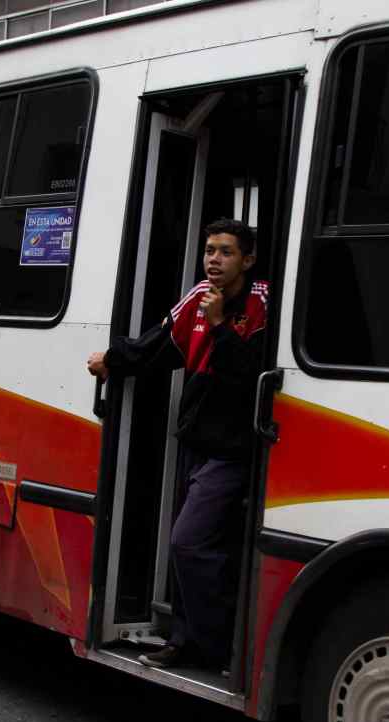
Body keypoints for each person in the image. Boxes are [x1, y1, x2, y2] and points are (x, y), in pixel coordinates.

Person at [87, 218, 268, 670]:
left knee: (189, 542)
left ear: (248, 260)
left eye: (226, 252)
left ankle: (219, 649)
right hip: (196, 440)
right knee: (188, 546)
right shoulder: (199, 297)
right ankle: (184, 641)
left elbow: (247, 376)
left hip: (235, 448)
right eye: (209, 251)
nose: (214, 260)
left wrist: (220, 324)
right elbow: (156, 346)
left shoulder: (261, 305)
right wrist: (112, 359)